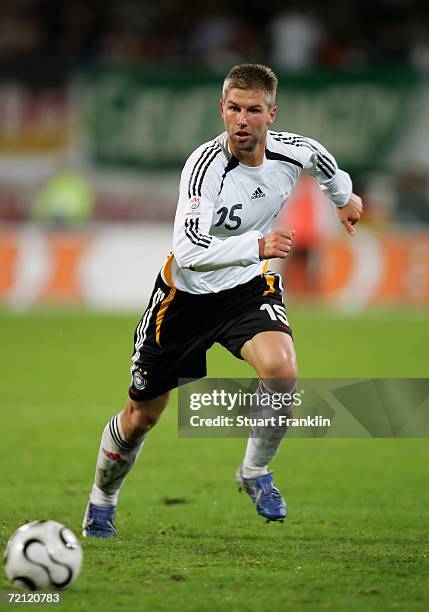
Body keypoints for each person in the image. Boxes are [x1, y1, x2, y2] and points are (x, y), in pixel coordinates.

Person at [82, 63, 362, 537]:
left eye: (253, 110)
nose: (241, 120)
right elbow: (189, 252)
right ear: (222, 109)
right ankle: (102, 498)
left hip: (245, 291)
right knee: (140, 418)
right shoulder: (204, 168)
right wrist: (258, 245)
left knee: (282, 370)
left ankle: (254, 471)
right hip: (183, 300)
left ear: (271, 114)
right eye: (233, 109)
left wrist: (344, 198)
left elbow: (323, 160)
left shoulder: (294, 153)